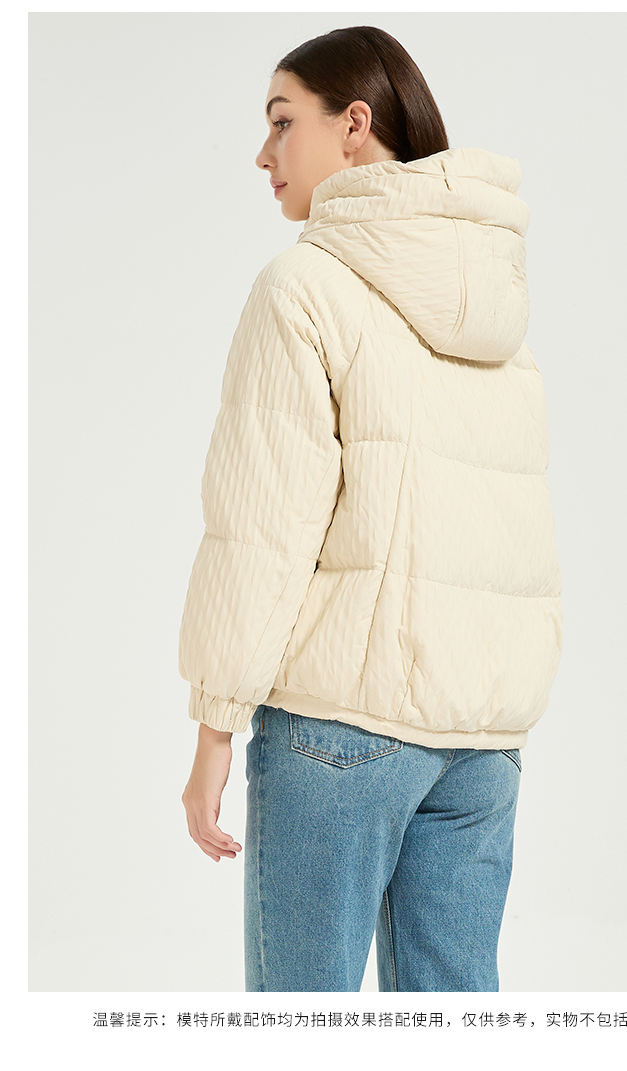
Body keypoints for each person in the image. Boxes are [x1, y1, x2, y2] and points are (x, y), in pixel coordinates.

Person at [179, 25, 563, 993]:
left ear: (354, 125)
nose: (262, 153)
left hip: (339, 729)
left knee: (300, 1035)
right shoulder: (496, 314)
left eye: (281, 122)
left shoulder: (301, 289)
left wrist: (215, 727)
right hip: (481, 749)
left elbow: (262, 531)